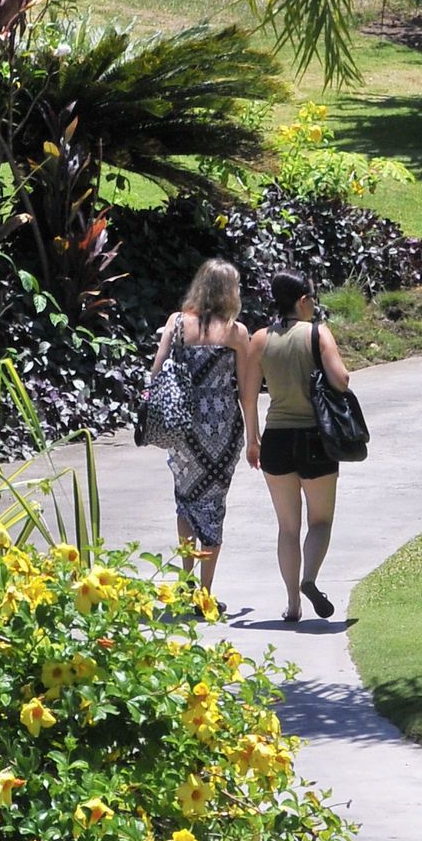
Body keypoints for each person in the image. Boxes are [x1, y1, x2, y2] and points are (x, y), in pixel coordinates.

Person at [145, 257, 256, 597]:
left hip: (184, 428)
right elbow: (247, 393)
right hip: (223, 428)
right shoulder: (236, 333)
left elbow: (156, 373)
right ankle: (204, 592)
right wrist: (254, 438)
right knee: (213, 505)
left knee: (186, 499)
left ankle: (186, 581)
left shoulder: (177, 323)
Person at [245, 270, 349, 621]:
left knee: (287, 527)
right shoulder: (318, 333)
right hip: (315, 437)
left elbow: (248, 396)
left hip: (275, 439)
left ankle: (292, 603)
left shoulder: (260, 339)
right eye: (312, 299)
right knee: (320, 521)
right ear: (303, 300)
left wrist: (252, 440)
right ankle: (310, 579)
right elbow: (341, 379)